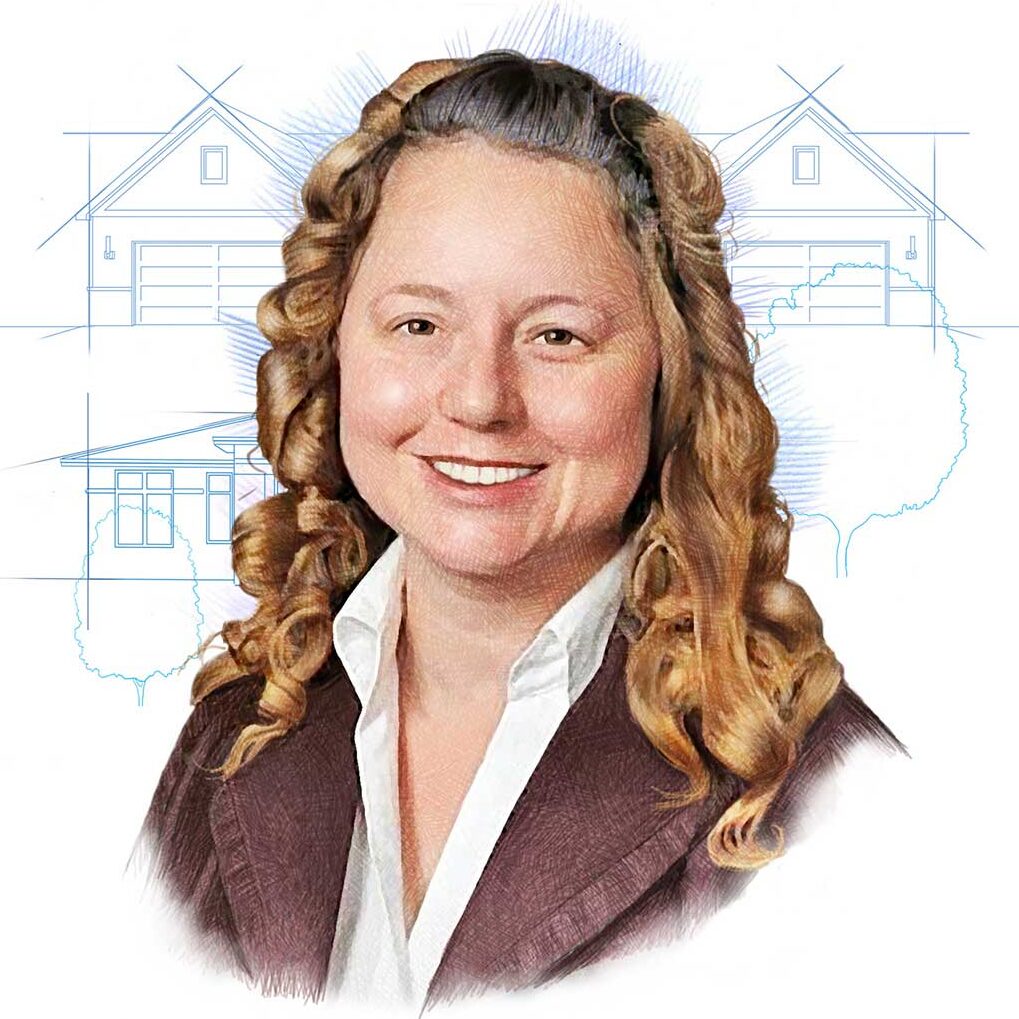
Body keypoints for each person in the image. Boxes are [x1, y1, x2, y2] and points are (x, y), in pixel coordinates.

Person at [129, 50, 903, 1012]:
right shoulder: (236, 735)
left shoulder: (820, 787)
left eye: (556, 336)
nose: (479, 399)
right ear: (333, 350)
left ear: (669, 374)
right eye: (418, 325)